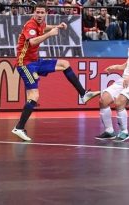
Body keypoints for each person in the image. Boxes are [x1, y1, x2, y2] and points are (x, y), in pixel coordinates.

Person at [12, 2, 100, 141]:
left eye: (42, 13)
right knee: (34, 96)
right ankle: (19, 127)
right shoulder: (30, 25)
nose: (40, 15)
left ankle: (84, 94)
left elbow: (44, 27)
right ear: (34, 13)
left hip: (36, 62)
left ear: (46, 13)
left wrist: (56, 26)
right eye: (38, 12)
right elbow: (33, 42)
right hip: (25, 65)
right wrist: (51, 34)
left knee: (65, 64)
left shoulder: (41, 23)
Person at [96, 54, 129, 142]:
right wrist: (114, 67)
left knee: (119, 102)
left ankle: (124, 132)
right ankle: (109, 131)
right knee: (103, 100)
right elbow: (126, 65)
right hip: (123, 80)